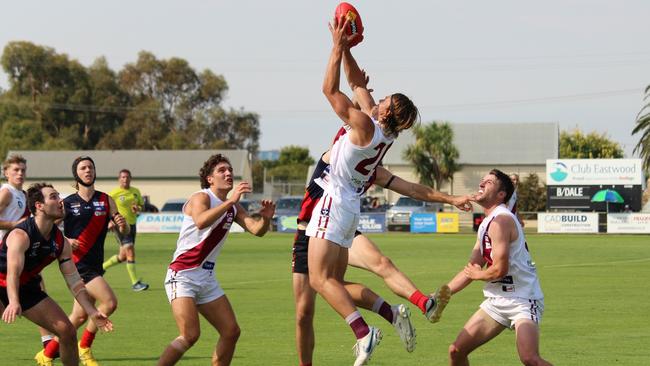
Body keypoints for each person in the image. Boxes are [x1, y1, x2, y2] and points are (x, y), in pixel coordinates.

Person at [305, 16, 420, 366]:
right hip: (349, 208)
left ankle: (362, 332)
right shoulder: (381, 127)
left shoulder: (363, 122)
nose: (379, 96)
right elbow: (357, 82)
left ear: (386, 110)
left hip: (334, 200)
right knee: (335, 282)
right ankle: (390, 314)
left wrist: (337, 47)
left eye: (385, 98)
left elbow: (331, 90)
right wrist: (348, 50)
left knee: (318, 280)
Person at [293, 150, 473, 365]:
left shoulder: (372, 172)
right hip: (310, 232)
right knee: (306, 311)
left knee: (381, 263)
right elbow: (352, 120)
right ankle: (392, 314)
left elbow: (413, 189)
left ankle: (425, 303)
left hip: (340, 226)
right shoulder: (337, 154)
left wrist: (451, 199)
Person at [157, 154, 275, 366]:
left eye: (229, 170)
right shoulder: (201, 198)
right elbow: (201, 221)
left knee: (231, 331)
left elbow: (257, 230)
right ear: (210, 179)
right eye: (222, 170)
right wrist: (231, 200)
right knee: (190, 335)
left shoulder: (233, 207)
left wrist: (265, 218)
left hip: (206, 278)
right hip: (182, 275)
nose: (228, 173)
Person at [446, 169, 552, 366]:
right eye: (482, 180)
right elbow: (472, 267)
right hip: (497, 300)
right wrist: (442, 294)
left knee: (530, 359)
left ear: (501, 194)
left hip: (522, 298)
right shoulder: (487, 223)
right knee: (456, 351)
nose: (482, 183)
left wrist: (478, 274)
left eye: (489, 182)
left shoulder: (501, 220)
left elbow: (498, 270)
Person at [1, 183, 113, 366]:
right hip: (2, 283)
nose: (60, 200)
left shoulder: (61, 242)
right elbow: (13, 273)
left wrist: (92, 311)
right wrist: (13, 301)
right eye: (53, 197)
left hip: (28, 288)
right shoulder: (21, 235)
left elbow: (74, 281)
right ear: (39, 206)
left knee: (67, 331)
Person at [37, 156, 128, 366]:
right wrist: (66, 240)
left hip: (95, 265)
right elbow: (48, 230)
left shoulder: (106, 200)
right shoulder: (66, 203)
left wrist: (123, 226)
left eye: (91, 167)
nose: (88, 171)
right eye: (83, 168)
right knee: (110, 302)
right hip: (77, 266)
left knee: (77, 318)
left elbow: (124, 230)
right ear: (76, 174)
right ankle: (84, 348)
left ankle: (47, 354)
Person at [1, 155, 59, 351]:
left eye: (23, 170)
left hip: (22, 254)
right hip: (5, 254)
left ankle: (48, 341)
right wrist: (12, 225)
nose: (20, 173)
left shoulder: (23, 195)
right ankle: (48, 341)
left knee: (38, 291)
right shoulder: (6, 193)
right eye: (15, 170)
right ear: (6, 172)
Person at [103, 169, 149, 291]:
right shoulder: (114, 193)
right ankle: (135, 283)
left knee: (123, 256)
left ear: (130, 178)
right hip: (121, 225)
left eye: (127, 177)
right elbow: (106, 208)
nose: (125, 179)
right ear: (119, 179)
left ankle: (100, 268)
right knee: (130, 250)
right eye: (123, 177)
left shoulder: (135, 191)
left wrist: (137, 208)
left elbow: (142, 206)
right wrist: (110, 221)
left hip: (133, 225)